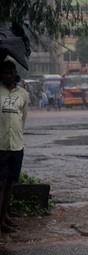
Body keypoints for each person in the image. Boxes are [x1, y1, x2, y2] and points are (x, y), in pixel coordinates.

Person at [0, 60, 28, 233]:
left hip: (16, 145)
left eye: (10, 72)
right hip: (1, 145)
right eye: (4, 73)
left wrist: (18, 136)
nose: (7, 75)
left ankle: (5, 216)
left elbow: (22, 119)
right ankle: (1, 222)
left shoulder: (23, 93)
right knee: (1, 183)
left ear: (15, 73)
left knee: (10, 184)